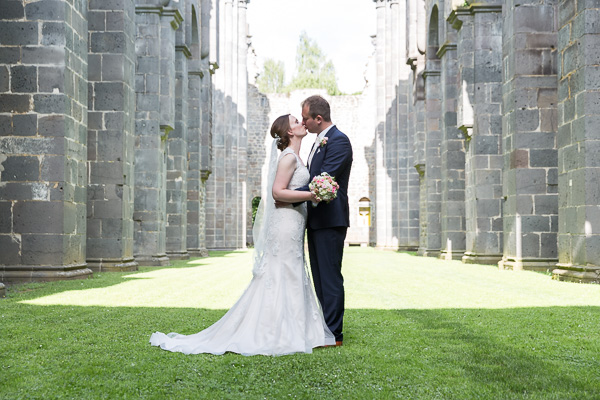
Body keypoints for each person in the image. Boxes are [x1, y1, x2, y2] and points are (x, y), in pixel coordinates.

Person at [149, 114, 335, 355]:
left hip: (295, 221)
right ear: (289, 131)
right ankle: (275, 331)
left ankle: (298, 329)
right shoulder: (288, 158)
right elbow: (278, 193)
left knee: (292, 269)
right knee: (282, 270)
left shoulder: (297, 156)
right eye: (296, 121)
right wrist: (312, 195)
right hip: (286, 222)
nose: (301, 122)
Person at [297, 95, 353, 346]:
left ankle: (334, 334)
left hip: (331, 219)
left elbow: (323, 180)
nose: (303, 122)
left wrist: (285, 195)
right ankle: (325, 329)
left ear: (318, 119)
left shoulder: (339, 141)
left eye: (306, 118)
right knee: (319, 277)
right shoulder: (318, 142)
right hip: (316, 219)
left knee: (329, 277)